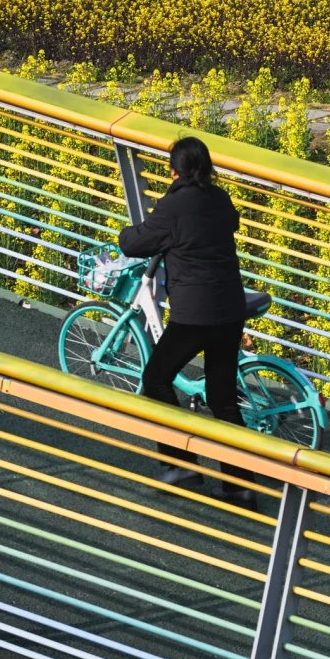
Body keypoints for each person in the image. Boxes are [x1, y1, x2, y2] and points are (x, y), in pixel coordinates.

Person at [118, 135, 255, 508]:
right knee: (222, 400)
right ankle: (240, 487)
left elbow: (134, 243)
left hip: (195, 313)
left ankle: (182, 465)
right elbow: (230, 223)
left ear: (173, 169)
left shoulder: (174, 206)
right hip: (229, 310)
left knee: (156, 379)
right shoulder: (220, 199)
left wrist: (127, 232)